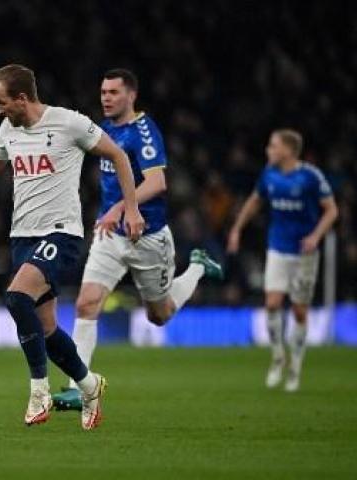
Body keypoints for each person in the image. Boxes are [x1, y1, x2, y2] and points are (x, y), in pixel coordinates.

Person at [0, 64, 145, 430]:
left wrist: (131, 209)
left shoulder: (69, 123)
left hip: (62, 234)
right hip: (22, 237)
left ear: (22, 98)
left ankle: (39, 390)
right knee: (47, 329)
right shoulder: (9, 128)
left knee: (15, 297)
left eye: (1, 102)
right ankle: (90, 386)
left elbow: (119, 156)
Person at [52, 69, 224, 411]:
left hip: (148, 238)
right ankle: (79, 385)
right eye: (103, 91)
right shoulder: (105, 130)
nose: (106, 97)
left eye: (114, 92)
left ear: (131, 95)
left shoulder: (144, 131)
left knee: (159, 316)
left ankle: (197, 268)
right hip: (111, 235)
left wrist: (121, 207)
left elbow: (158, 182)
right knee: (87, 303)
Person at [227, 129, 338, 392]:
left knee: (300, 311)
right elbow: (255, 201)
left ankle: (296, 365)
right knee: (272, 303)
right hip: (277, 247)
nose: (268, 149)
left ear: (288, 150)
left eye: (273, 145)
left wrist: (315, 236)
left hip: (305, 252)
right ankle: (278, 356)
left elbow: (332, 210)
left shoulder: (311, 176)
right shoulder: (269, 174)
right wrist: (237, 228)